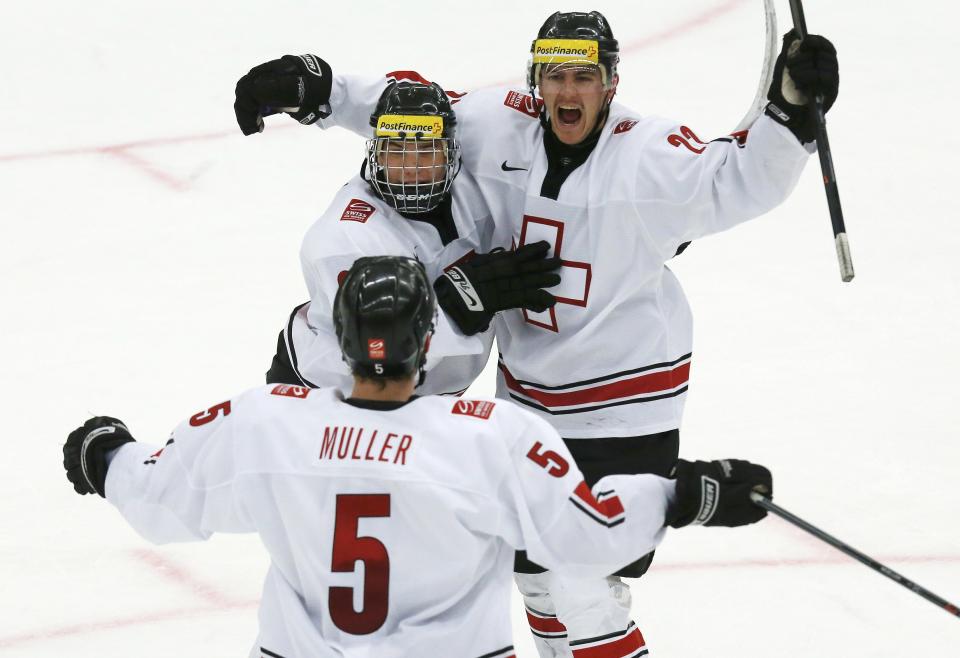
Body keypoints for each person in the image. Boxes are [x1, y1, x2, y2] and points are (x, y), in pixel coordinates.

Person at [232, 11, 839, 656]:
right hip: (525, 410)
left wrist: (788, 109)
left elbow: (738, 179)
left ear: (610, 82)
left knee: (584, 585)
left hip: (625, 408)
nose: (567, 90)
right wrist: (322, 93)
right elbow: (414, 114)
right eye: (554, 75)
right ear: (536, 80)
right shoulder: (502, 124)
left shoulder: (649, 156)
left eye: (584, 75)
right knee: (536, 584)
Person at [62, 256, 774, 658]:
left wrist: (106, 455)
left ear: (339, 341)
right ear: (428, 341)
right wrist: (688, 493)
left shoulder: (268, 421)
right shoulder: (489, 435)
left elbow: (160, 500)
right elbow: (587, 538)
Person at [251, 74, 561, 395]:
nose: (410, 168)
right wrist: (455, 308)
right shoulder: (346, 239)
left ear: (451, 154)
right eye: (396, 151)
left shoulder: (475, 189)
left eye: (426, 151)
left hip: (422, 399)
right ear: (376, 155)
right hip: (325, 396)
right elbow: (375, 351)